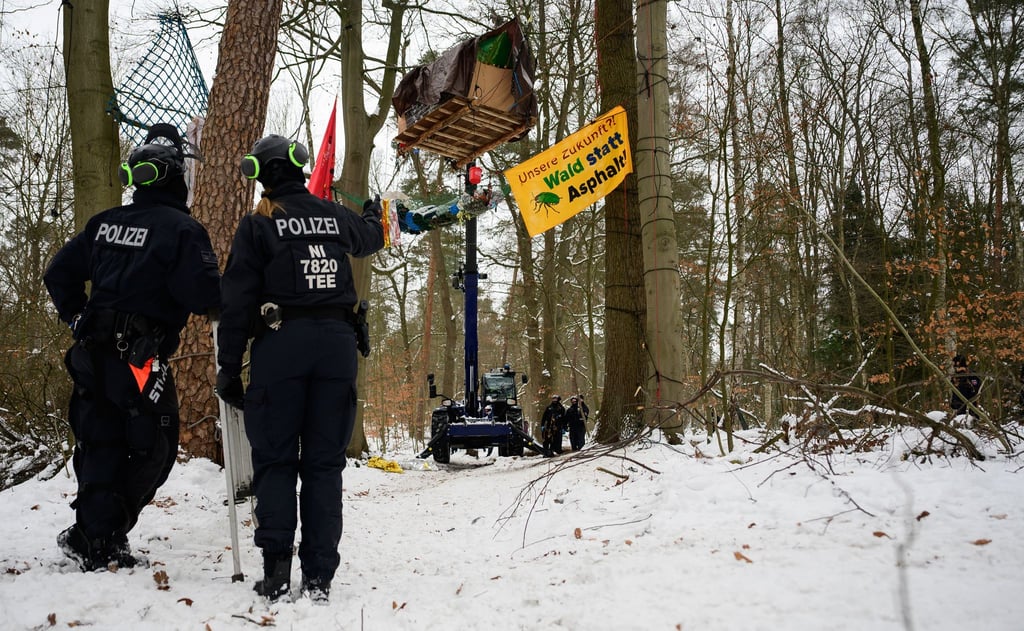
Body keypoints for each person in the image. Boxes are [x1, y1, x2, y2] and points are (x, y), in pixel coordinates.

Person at [43, 123, 221, 571]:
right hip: (138, 358)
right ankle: (100, 536)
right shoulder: (182, 230)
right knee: (155, 444)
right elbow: (204, 297)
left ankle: (94, 535)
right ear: (175, 177)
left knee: (98, 442)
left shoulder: (103, 224)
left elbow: (58, 274)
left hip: (90, 353)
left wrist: (77, 315)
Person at [215, 134, 384, 603]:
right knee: (324, 465)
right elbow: (370, 238)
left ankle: (274, 572)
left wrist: (228, 368)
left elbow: (236, 302)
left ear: (261, 175)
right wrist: (371, 214)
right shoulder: (332, 215)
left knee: (275, 461)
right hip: (336, 348)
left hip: (281, 347)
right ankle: (318, 579)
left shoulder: (259, 224)